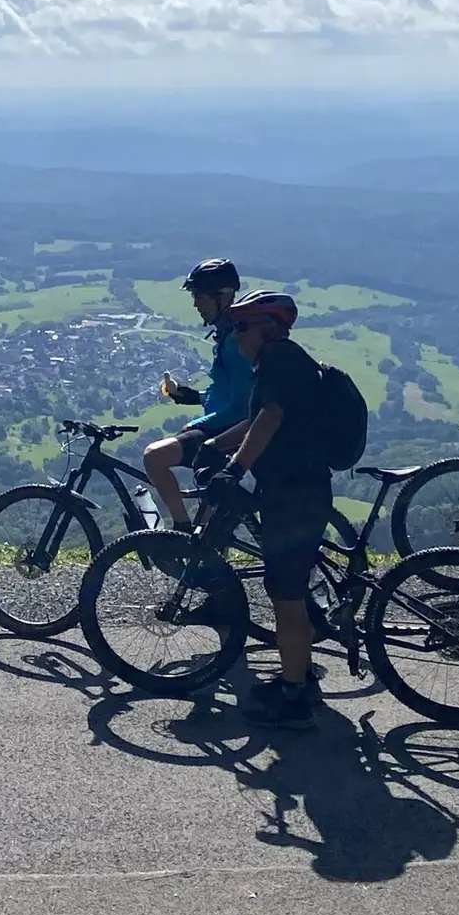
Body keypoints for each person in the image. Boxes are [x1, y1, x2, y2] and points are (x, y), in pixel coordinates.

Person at [195, 290, 332, 731]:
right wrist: (215, 445)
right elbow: (257, 419)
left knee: (287, 599)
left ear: (266, 330)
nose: (235, 337)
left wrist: (234, 470)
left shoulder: (278, 361)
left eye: (242, 327)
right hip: (296, 493)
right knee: (287, 592)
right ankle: (300, 677)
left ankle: (294, 699)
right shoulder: (284, 363)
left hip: (294, 497)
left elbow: (270, 417)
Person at [143, 258, 254, 529]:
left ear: (222, 297)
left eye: (199, 296)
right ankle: (206, 547)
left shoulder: (235, 343)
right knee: (211, 521)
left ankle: (181, 530)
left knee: (153, 457)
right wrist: (193, 397)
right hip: (227, 426)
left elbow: (243, 406)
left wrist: (196, 424)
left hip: (229, 430)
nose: (195, 304)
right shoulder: (229, 335)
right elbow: (227, 394)